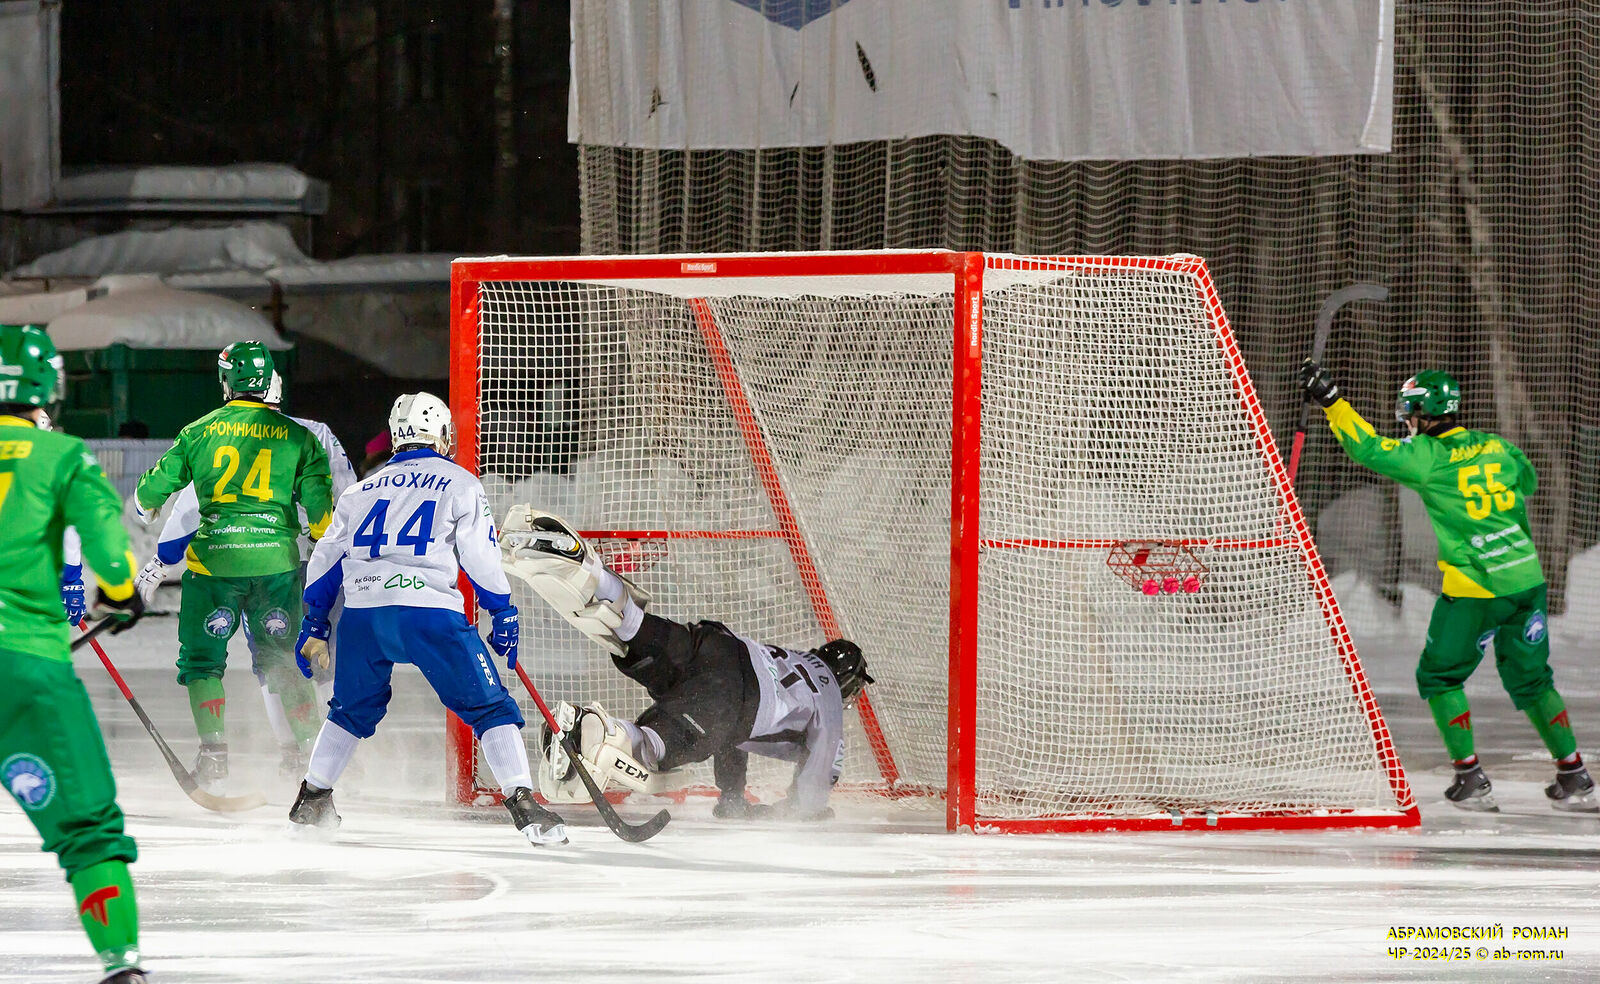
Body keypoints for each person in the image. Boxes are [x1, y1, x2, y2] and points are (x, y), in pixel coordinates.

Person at [1299, 359, 1594, 813]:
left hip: (1476, 589)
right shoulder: (1497, 446)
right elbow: (1529, 482)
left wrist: (1332, 401)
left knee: (1439, 676)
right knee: (1534, 680)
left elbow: (1367, 448)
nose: (1407, 421)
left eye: (1409, 412)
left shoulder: (1427, 458)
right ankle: (1574, 775)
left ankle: (1470, 777)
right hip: (1526, 581)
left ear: (1422, 413)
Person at [287, 392, 567, 846]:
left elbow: (327, 559)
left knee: (349, 710)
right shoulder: (460, 483)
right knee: (490, 707)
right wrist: (501, 609)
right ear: (439, 432)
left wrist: (315, 621)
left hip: (364, 617)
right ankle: (525, 804)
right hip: (428, 614)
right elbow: (480, 556)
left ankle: (313, 797)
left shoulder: (360, 490)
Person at [503, 510, 872, 821]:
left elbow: (734, 738)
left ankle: (586, 568)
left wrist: (733, 797)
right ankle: (597, 730)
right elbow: (818, 771)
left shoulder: (795, 660)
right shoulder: (827, 698)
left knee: (631, 627)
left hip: (716, 646)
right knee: (655, 749)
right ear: (846, 679)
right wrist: (805, 814)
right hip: (732, 696)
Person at [0, 324, 149, 983]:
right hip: (25, 664)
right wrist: (121, 592)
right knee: (89, 825)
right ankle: (121, 961)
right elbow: (109, 551)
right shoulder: (61, 455)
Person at [134, 369, 357, 777]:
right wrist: (334, 545)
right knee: (308, 656)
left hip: (227, 560)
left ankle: (265, 754)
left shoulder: (211, 431)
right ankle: (323, 755)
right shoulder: (310, 433)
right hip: (299, 561)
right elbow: (343, 494)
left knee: (245, 662)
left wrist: (162, 560)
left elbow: (187, 506)